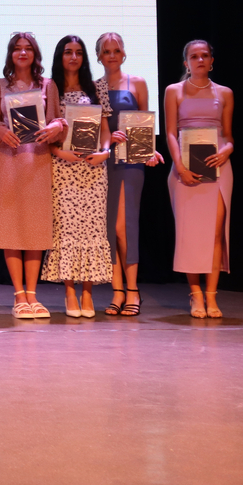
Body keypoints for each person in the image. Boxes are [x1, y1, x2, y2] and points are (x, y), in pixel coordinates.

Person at [0, 32, 66, 319]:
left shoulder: (48, 85)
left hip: (38, 160)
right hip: (7, 161)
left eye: (28, 48)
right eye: (17, 48)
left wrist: (57, 126)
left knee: (35, 227)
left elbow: (58, 119)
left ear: (35, 54)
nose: (22, 53)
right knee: (10, 226)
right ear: (10, 54)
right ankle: (19, 296)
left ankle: (32, 295)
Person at [40, 36, 113, 318]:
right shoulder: (50, 88)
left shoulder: (97, 88)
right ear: (60, 56)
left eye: (79, 52)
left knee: (92, 229)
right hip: (63, 168)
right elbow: (45, 131)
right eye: (68, 52)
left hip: (93, 169)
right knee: (66, 229)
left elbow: (105, 128)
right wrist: (60, 153)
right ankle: (70, 292)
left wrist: (105, 152)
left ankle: (88, 293)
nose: (73, 57)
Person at [95, 33, 163, 316]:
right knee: (109, 229)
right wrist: (107, 139)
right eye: (106, 51)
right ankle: (117, 290)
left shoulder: (137, 82)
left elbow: (144, 122)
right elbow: (93, 128)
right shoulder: (95, 87)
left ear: (124, 53)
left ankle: (132, 290)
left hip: (130, 162)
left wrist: (150, 151)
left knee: (125, 226)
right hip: (103, 162)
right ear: (99, 56)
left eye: (116, 50)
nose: (112, 55)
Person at [165, 40, 234, 319]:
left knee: (215, 233)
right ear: (186, 62)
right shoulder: (174, 91)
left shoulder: (225, 93)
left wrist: (227, 150)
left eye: (205, 55)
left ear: (212, 60)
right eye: (194, 56)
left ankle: (212, 296)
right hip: (185, 168)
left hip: (217, 168)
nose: (200, 59)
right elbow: (171, 133)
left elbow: (228, 135)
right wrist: (180, 167)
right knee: (190, 233)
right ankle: (195, 295)